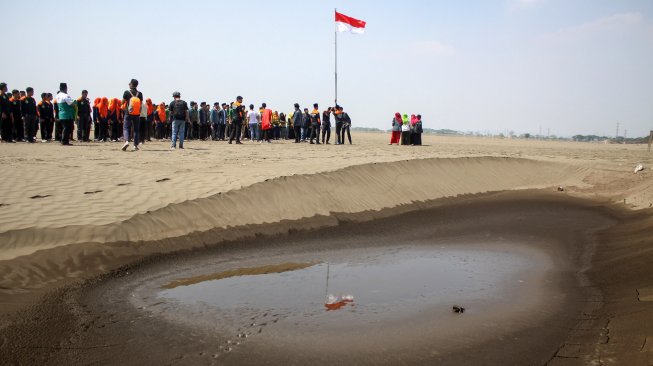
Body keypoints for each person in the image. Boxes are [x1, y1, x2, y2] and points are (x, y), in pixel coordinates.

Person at [121, 79, 143, 151]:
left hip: (128, 112)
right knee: (136, 130)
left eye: (129, 83)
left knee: (126, 128)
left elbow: (122, 102)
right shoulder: (140, 94)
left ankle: (127, 141)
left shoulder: (127, 92)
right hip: (137, 114)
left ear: (131, 84)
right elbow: (141, 105)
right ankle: (135, 145)